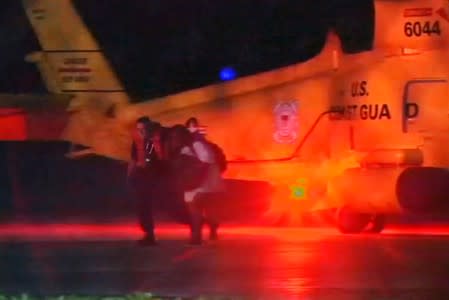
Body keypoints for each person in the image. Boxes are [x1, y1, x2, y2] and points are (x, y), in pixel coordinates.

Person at [169, 125, 223, 245]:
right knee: (197, 211)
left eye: (176, 136)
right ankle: (200, 234)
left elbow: (208, 160)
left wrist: (198, 173)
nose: (174, 139)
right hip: (193, 183)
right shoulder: (187, 147)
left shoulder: (195, 145)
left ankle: (198, 236)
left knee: (196, 211)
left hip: (199, 184)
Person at [127, 116, 162, 246]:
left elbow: (153, 159)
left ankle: (150, 235)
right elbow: (133, 159)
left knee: (145, 206)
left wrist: (146, 163)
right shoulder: (137, 143)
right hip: (140, 177)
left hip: (149, 178)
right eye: (138, 128)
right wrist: (130, 175)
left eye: (142, 128)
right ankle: (148, 234)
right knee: (142, 207)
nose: (140, 131)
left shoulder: (151, 142)